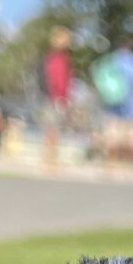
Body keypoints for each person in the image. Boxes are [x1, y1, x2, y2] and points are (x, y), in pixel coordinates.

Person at [95, 34, 133, 167]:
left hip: (111, 105)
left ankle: (113, 163)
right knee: (132, 136)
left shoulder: (110, 61)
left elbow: (99, 80)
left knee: (113, 134)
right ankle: (129, 165)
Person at [41, 26, 75, 170]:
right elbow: (59, 81)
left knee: (52, 130)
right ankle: (50, 162)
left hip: (53, 98)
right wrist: (62, 98)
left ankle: (50, 160)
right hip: (56, 99)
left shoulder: (52, 57)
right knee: (53, 130)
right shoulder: (59, 59)